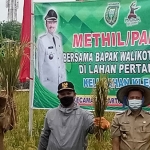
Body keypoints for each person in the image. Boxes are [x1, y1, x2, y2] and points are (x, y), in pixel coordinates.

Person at [38, 81, 110, 150]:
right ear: (58, 96)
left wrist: (102, 125)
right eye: (62, 94)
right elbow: (45, 136)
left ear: (74, 95)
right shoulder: (51, 114)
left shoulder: (84, 115)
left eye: (69, 93)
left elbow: (94, 129)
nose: (66, 96)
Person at [36, 9, 66, 94]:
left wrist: (63, 81)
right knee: (50, 107)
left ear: (56, 23)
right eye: (49, 22)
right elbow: (40, 65)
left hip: (60, 84)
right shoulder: (42, 40)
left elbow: (61, 62)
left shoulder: (58, 39)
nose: (51, 25)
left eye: (53, 22)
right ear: (46, 23)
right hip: (48, 85)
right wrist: (42, 88)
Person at [111, 84, 150, 150]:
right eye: (132, 98)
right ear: (127, 100)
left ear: (142, 100)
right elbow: (115, 143)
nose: (134, 100)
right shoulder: (118, 118)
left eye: (138, 98)